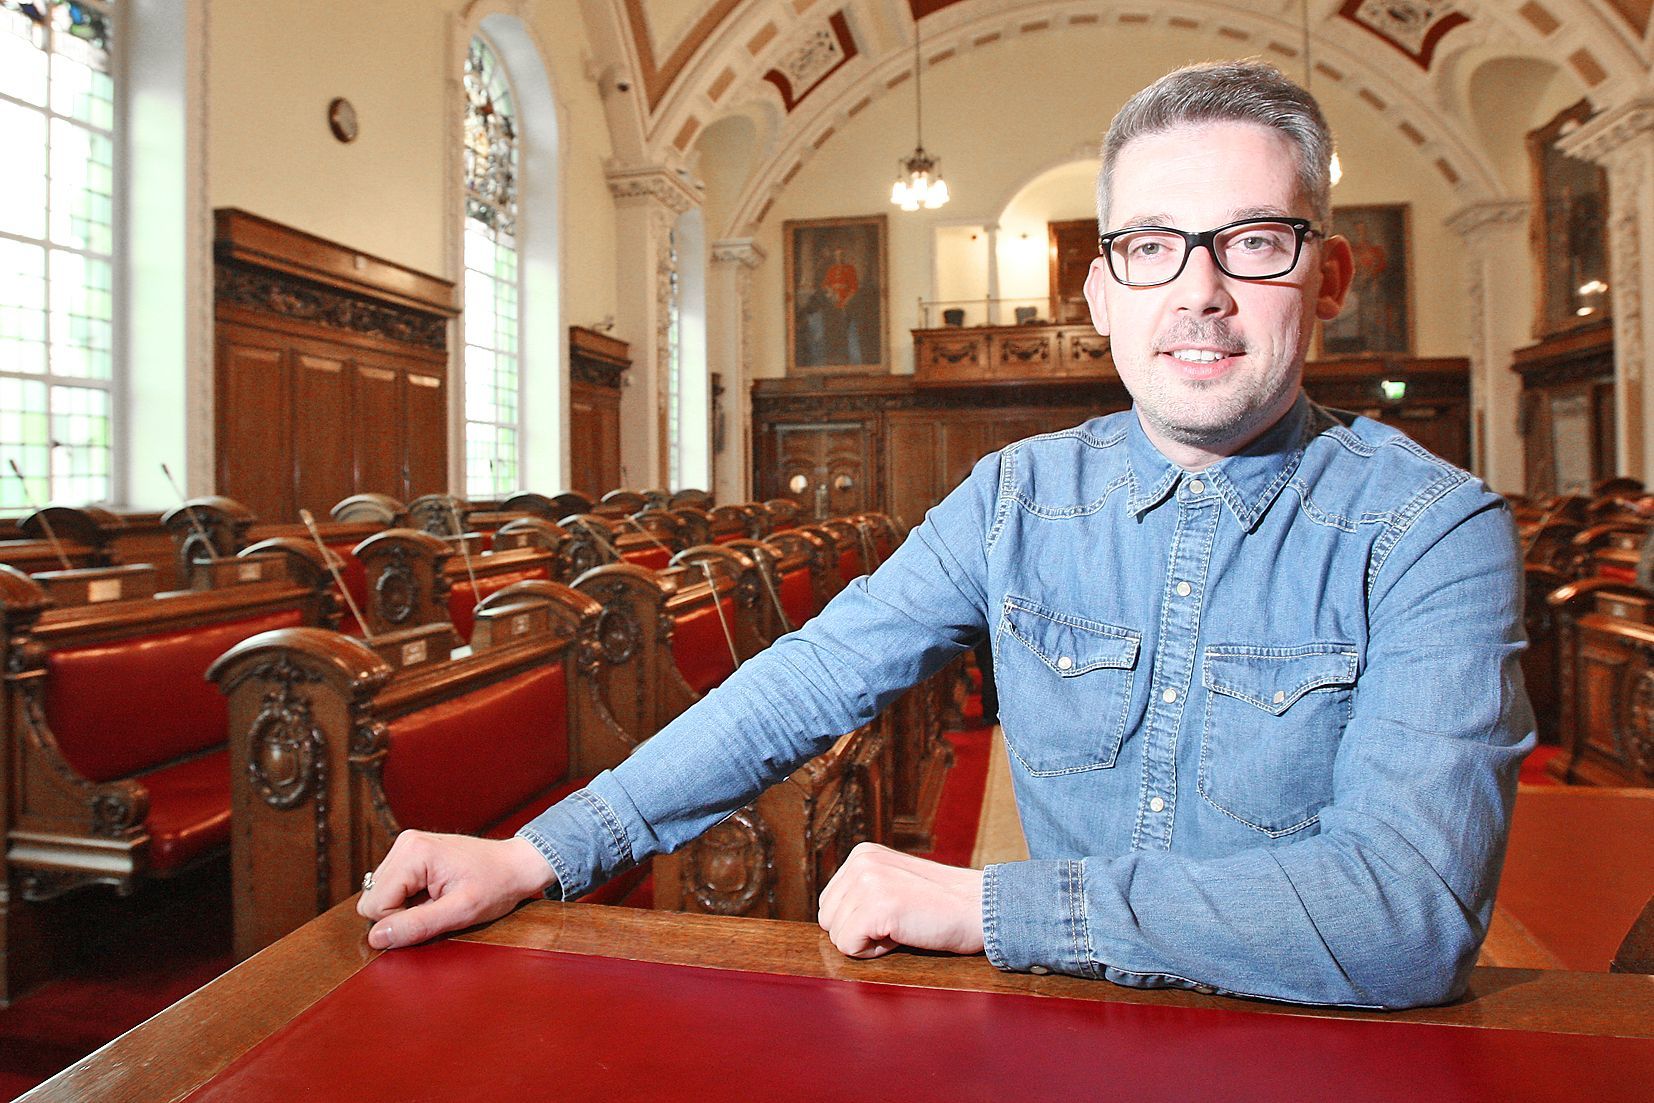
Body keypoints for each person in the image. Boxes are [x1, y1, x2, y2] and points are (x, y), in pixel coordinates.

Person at [360, 60, 1533, 1010]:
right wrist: (534, 853)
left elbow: (1404, 914)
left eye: (1253, 242)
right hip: (1071, 1033)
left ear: (1326, 276)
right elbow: (804, 681)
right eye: (1153, 246)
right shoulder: (1015, 494)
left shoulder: (1434, 530)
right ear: (1101, 292)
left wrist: (990, 909)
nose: (1200, 290)